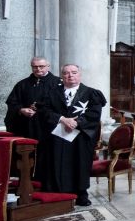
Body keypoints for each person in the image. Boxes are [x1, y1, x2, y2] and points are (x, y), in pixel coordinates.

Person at [38, 64, 106, 206]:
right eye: (66, 73)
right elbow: (44, 111)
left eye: (74, 72)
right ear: (62, 76)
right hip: (58, 135)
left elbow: (94, 113)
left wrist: (77, 123)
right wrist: (62, 119)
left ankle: (81, 193)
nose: (70, 76)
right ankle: (58, 193)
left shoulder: (91, 93)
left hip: (81, 136)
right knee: (56, 163)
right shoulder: (51, 93)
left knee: (80, 164)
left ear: (79, 74)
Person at [4, 56, 62, 184]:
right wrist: (21, 110)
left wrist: (42, 110)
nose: (38, 69)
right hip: (26, 127)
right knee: (26, 156)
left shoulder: (58, 83)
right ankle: (25, 182)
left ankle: (46, 183)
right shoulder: (22, 84)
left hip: (47, 128)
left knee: (47, 155)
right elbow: (12, 103)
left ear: (48, 66)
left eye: (41, 66)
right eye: (35, 67)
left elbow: (61, 106)